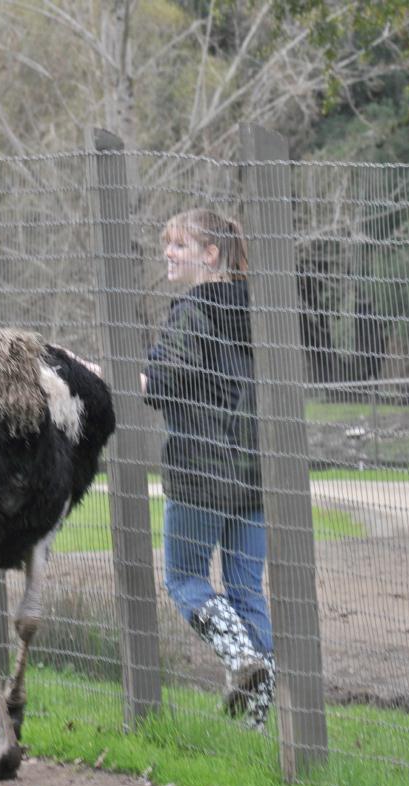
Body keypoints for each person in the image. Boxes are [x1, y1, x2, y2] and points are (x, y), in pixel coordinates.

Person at [142, 208, 274, 730]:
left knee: (184, 579)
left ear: (210, 254)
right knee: (246, 590)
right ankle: (257, 724)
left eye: (178, 245)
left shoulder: (194, 309)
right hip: (254, 473)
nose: (168, 254)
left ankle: (241, 659)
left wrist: (125, 377)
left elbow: (167, 380)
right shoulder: (259, 311)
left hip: (200, 467)